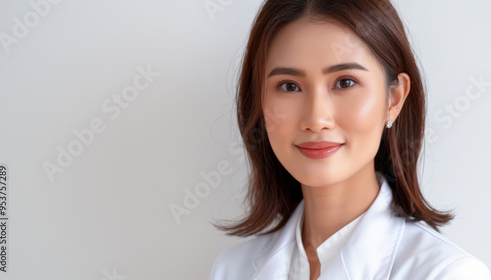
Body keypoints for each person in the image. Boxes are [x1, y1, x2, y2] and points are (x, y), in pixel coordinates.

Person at [209, 0, 491, 279]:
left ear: (394, 99)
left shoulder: (448, 274)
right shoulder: (232, 270)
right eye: (289, 86)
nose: (316, 119)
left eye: (345, 82)